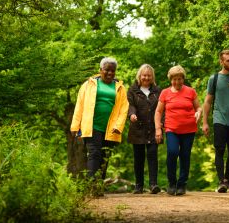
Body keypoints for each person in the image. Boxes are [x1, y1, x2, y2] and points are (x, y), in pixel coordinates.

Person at [70, 57, 129, 184]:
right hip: (92, 126)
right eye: (107, 70)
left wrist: (119, 126)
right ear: (100, 70)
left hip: (111, 128)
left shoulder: (120, 88)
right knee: (94, 153)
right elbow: (79, 105)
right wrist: (75, 126)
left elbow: (124, 109)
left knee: (104, 157)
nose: (110, 73)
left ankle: (99, 186)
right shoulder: (88, 85)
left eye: (113, 71)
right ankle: (91, 184)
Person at [154, 65, 202, 196]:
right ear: (170, 79)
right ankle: (171, 183)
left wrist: (198, 113)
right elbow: (158, 111)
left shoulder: (191, 92)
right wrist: (158, 128)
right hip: (171, 129)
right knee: (172, 152)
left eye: (179, 79)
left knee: (185, 155)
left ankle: (182, 184)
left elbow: (198, 108)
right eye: (174, 79)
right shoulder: (165, 93)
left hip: (189, 129)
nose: (177, 82)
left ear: (183, 79)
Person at [202, 49, 229, 193]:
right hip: (220, 118)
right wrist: (205, 122)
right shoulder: (214, 79)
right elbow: (207, 101)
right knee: (219, 149)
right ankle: (221, 182)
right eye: (228, 60)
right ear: (221, 61)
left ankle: (227, 180)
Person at [127, 64, 162, 194]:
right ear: (139, 76)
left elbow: (161, 109)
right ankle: (139, 185)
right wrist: (132, 114)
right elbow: (130, 105)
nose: (146, 78)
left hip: (153, 128)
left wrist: (161, 125)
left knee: (153, 155)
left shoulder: (158, 91)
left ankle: (153, 184)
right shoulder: (132, 90)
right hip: (137, 128)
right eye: (144, 75)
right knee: (138, 157)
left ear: (152, 77)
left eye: (149, 75)